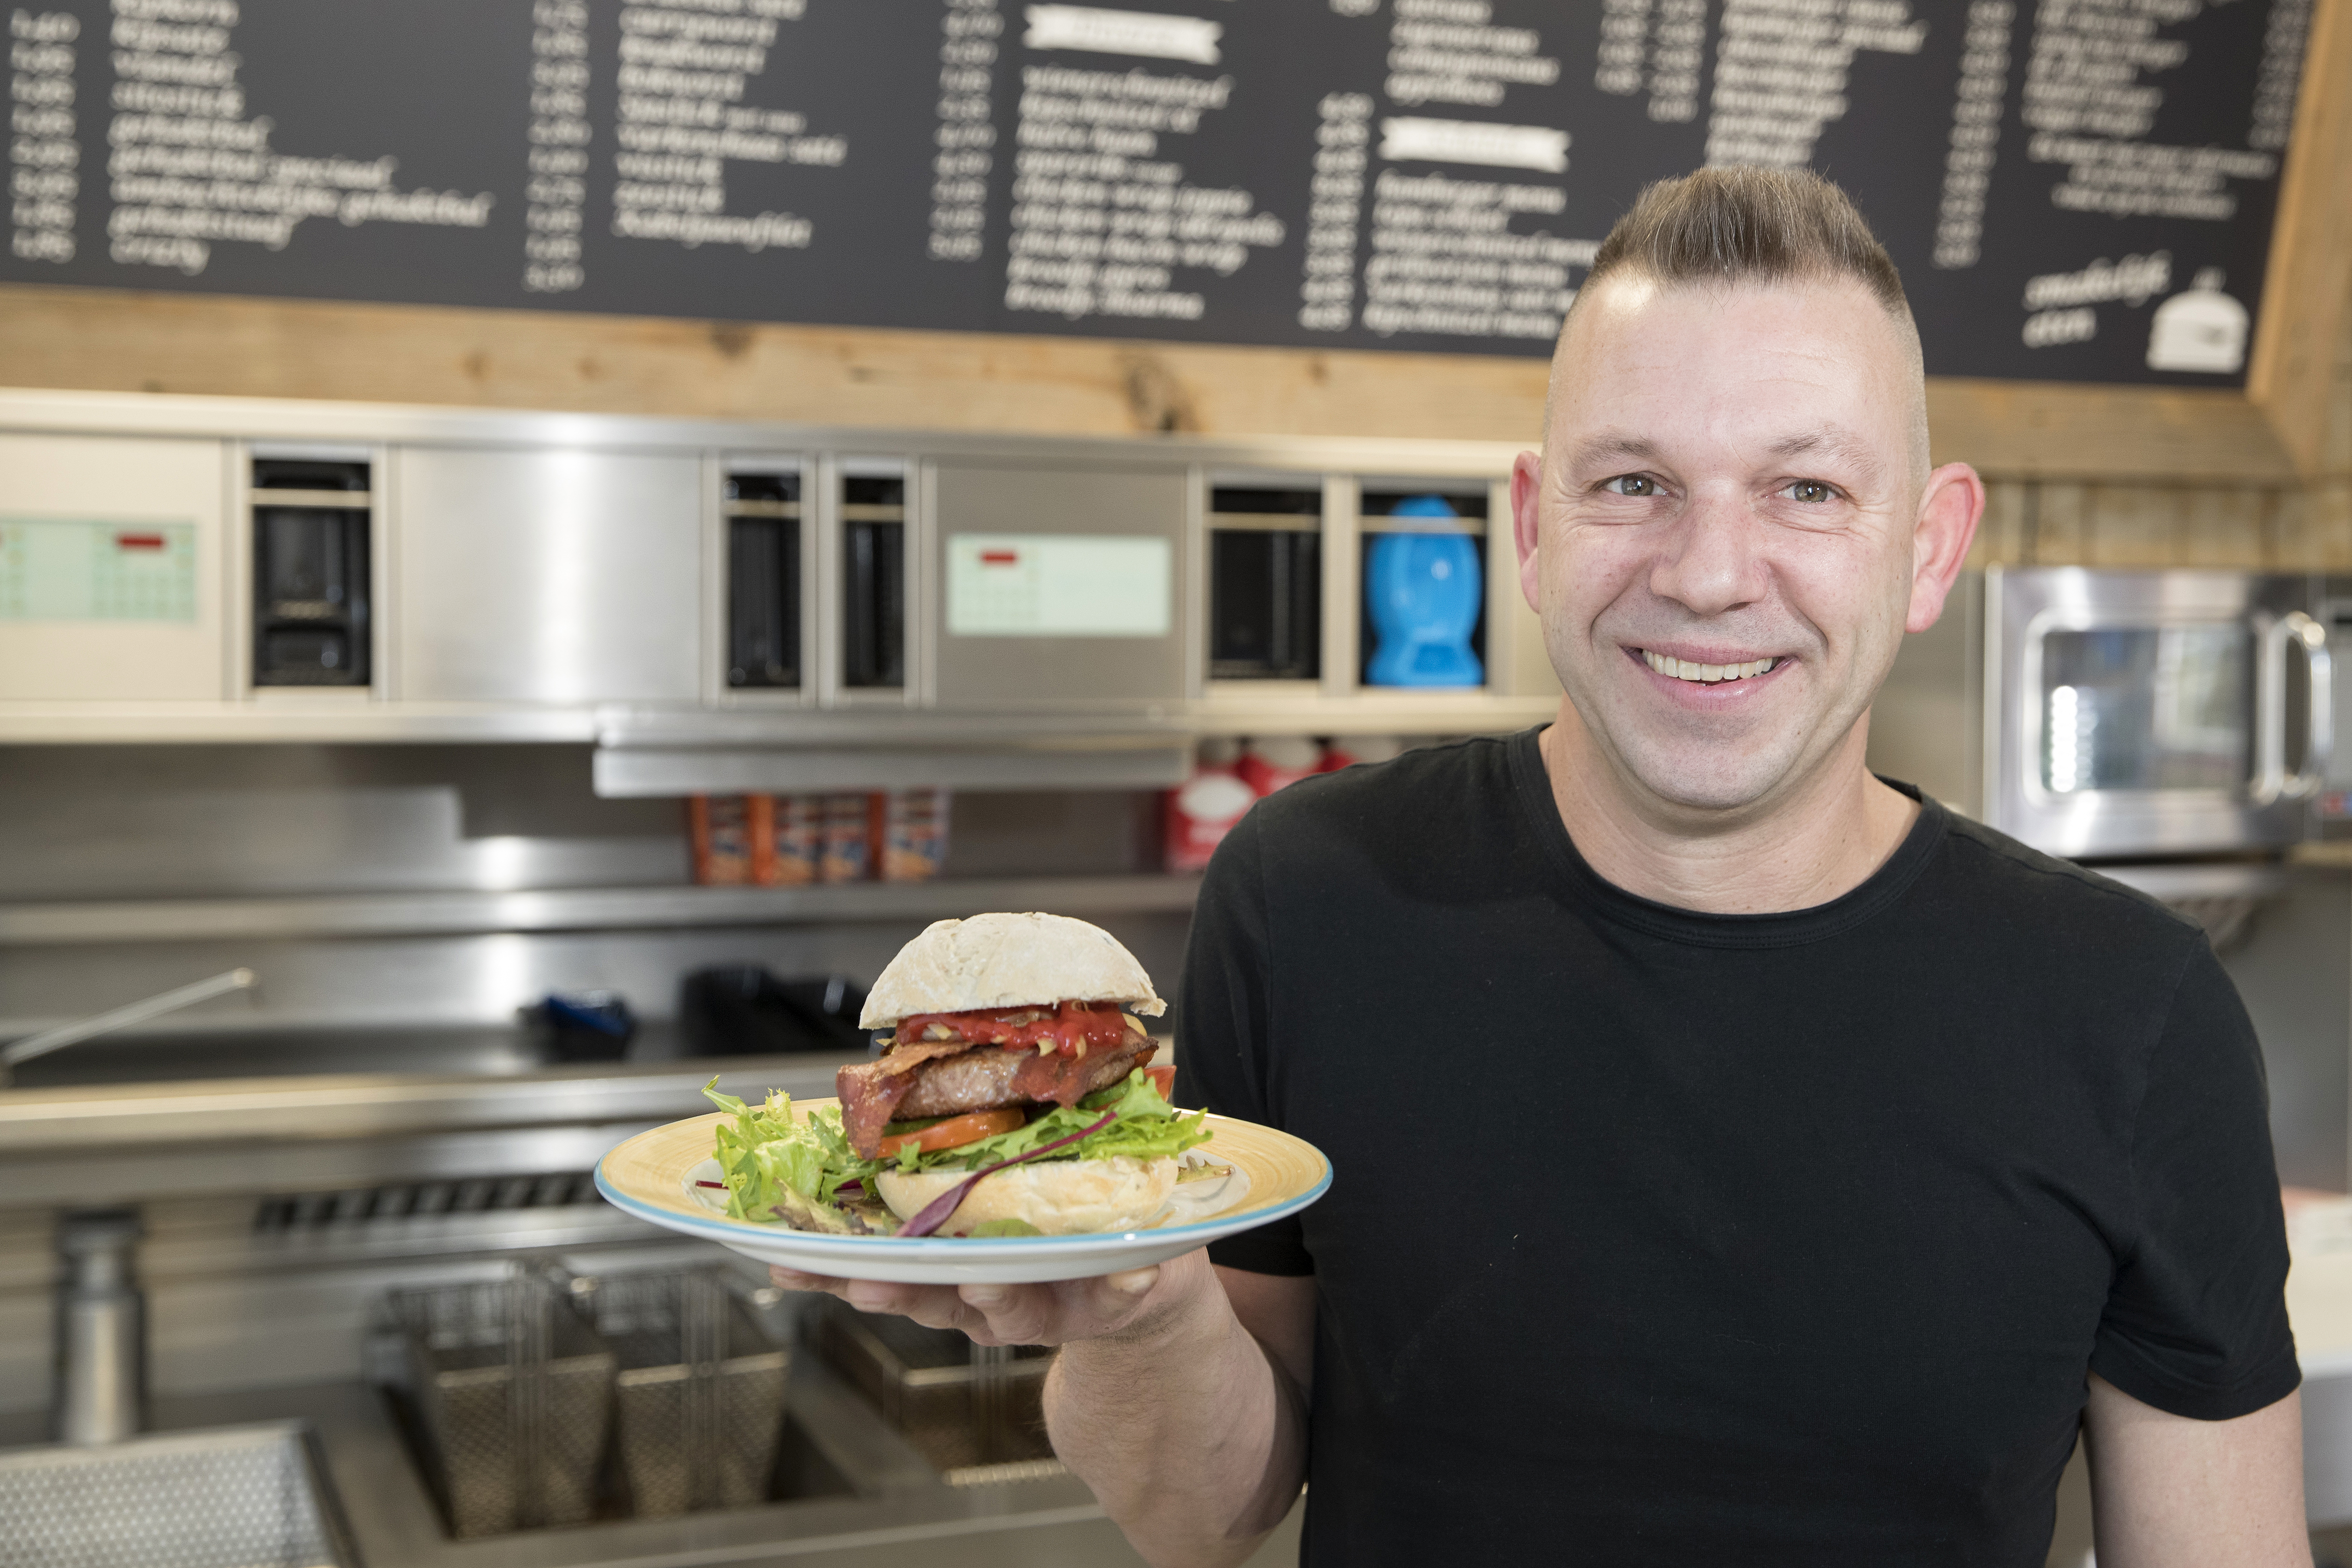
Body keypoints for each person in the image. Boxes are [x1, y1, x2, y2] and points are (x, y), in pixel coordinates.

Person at [769, 168, 2309, 1567]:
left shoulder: (2133, 1013)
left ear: (1925, 547)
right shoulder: (1313, 895)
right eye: (1631, 483)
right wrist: (1141, 1310)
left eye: (1806, 489)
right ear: (1531, 527)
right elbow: (1195, 1518)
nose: (1709, 574)